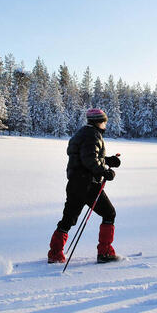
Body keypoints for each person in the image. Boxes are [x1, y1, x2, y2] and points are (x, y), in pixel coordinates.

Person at [47, 108, 122, 264]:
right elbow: (89, 160)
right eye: (104, 122)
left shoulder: (83, 133)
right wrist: (105, 171)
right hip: (89, 184)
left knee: (68, 219)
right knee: (109, 214)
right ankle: (105, 252)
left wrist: (108, 160)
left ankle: (55, 253)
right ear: (98, 122)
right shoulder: (92, 135)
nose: (105, 125)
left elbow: (86, 156)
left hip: (75, 183)